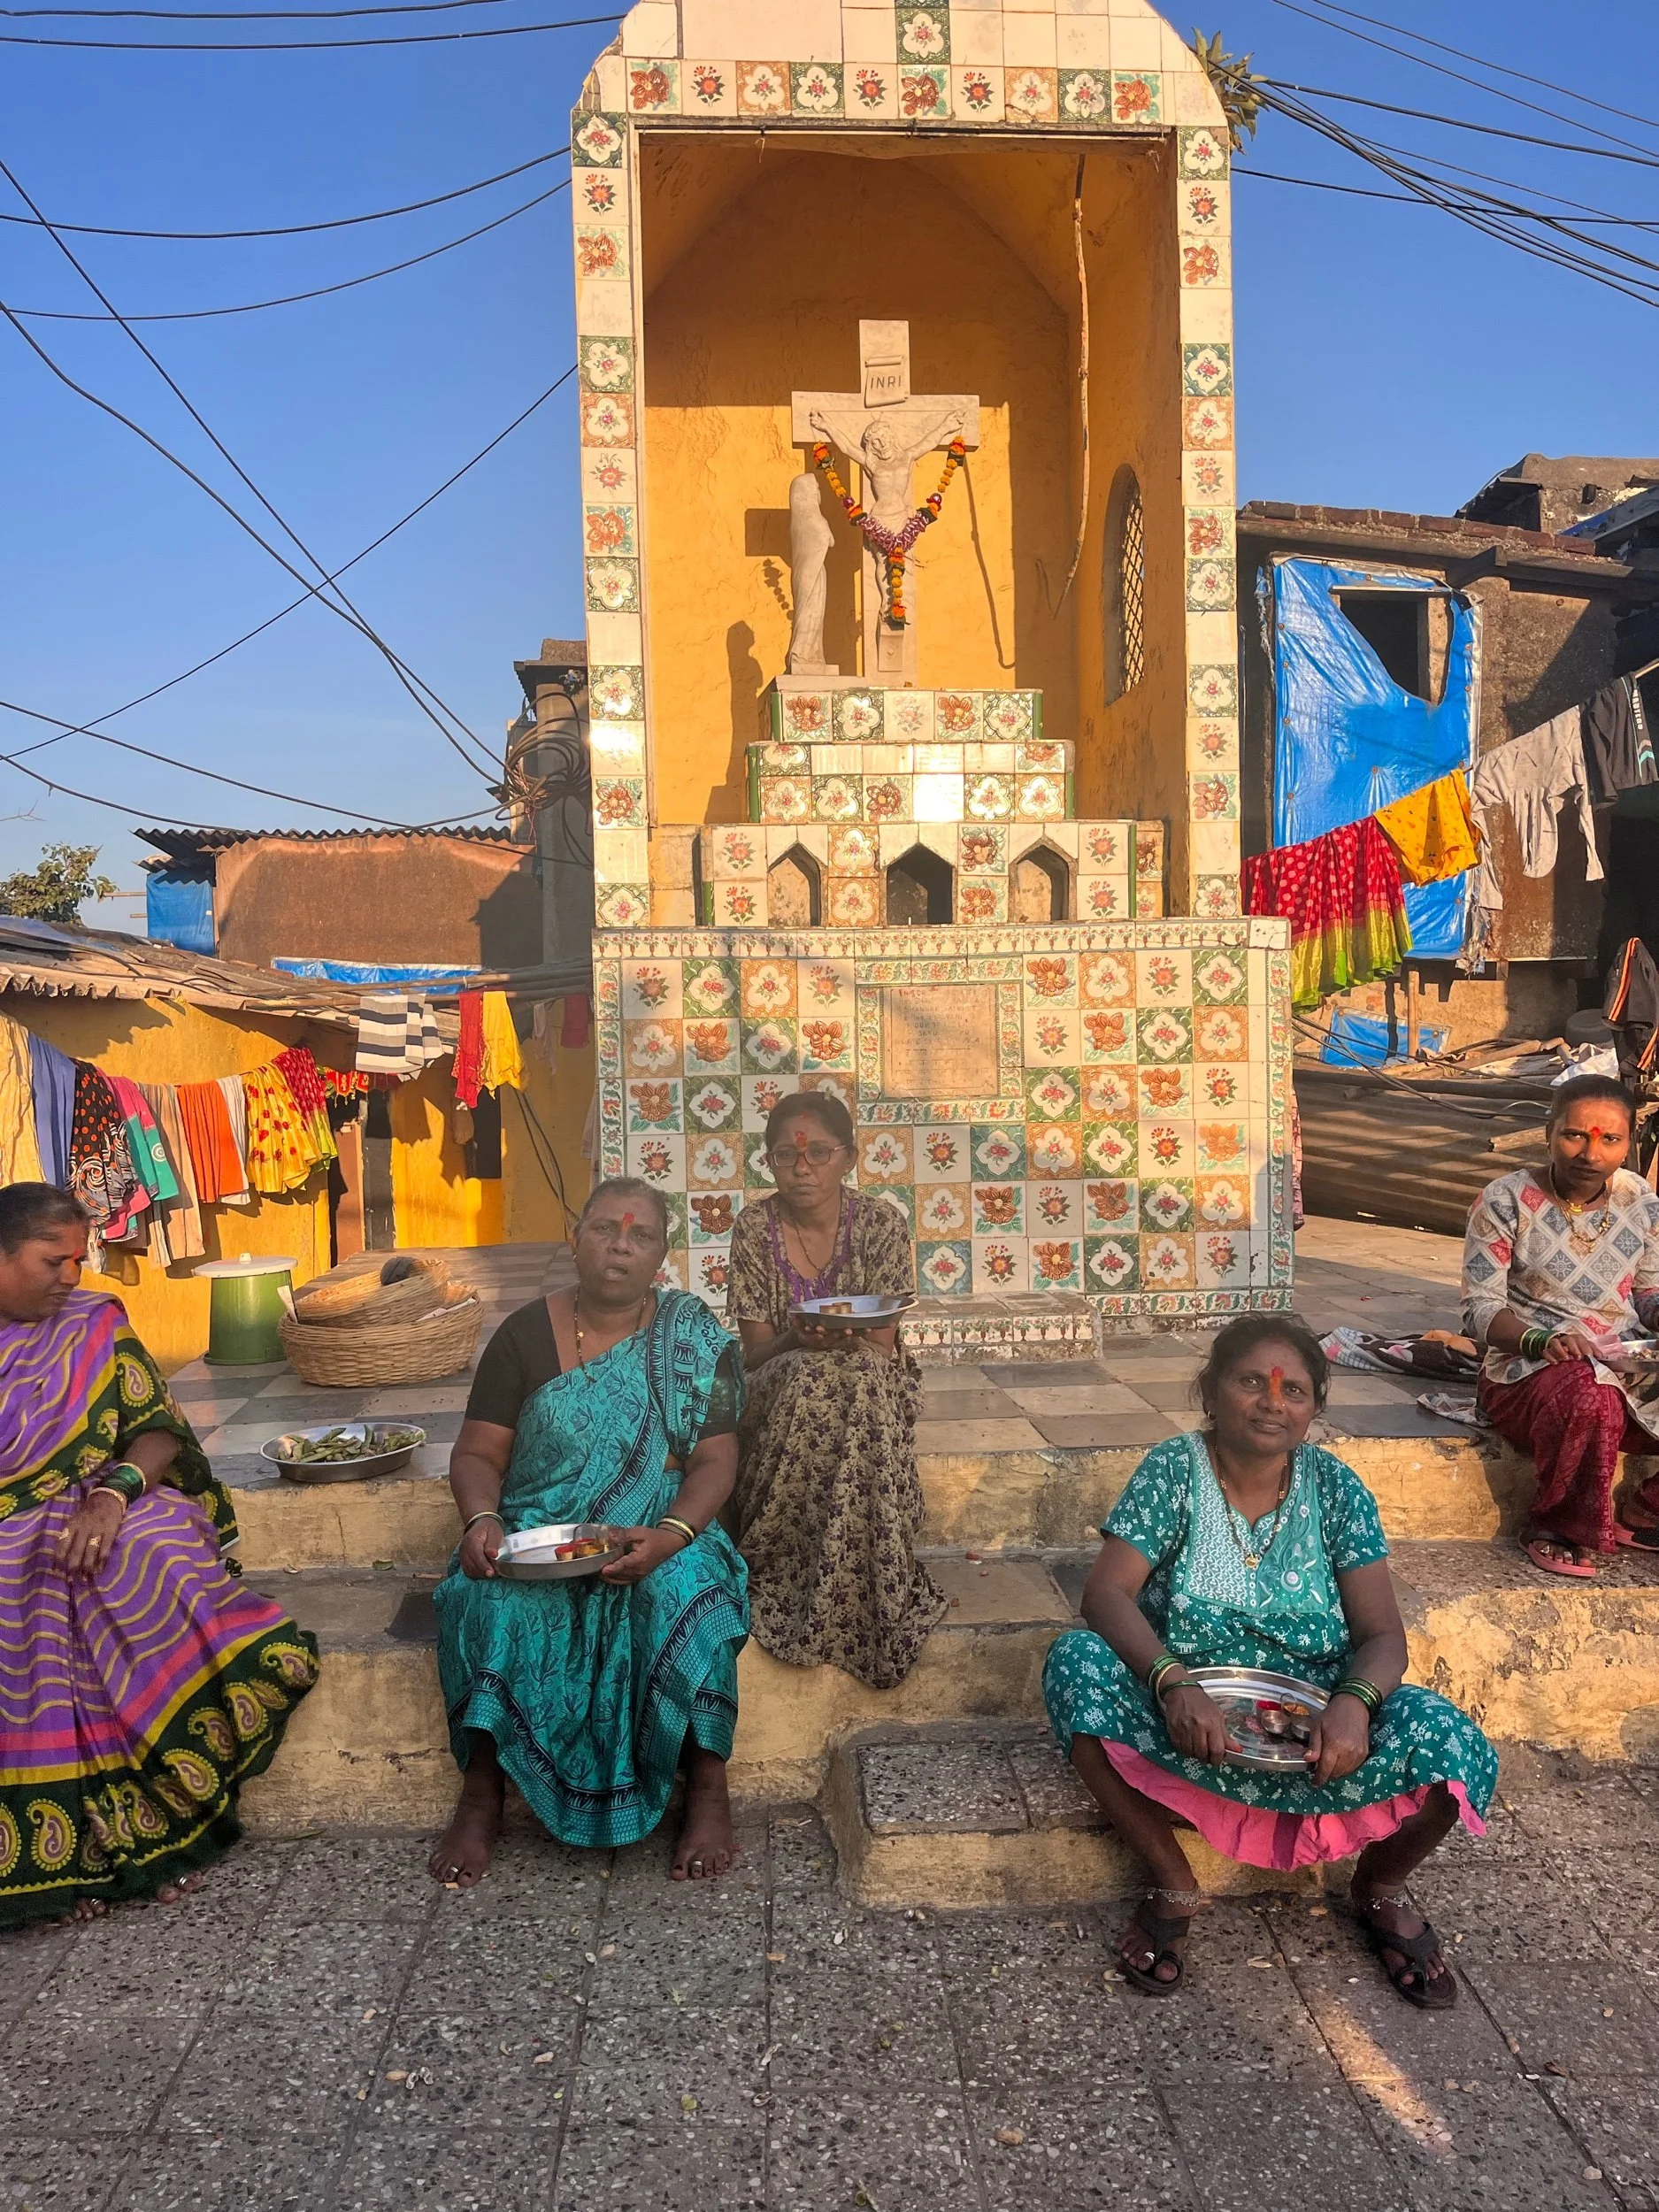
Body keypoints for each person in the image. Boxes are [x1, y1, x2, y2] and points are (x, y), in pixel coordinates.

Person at [1043, 1314, 1496, 2008]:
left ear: (1314, 1407)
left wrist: (1351, 1704)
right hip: (1189, 1710)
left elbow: (1382, 1636)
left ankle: (1377, 1888)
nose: (1270, 1402)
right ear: (1211, 1391)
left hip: (1312, 1722)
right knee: (1076, 1664)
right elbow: (1106, 1594)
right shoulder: (1173, 1470)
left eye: (1293, 1391)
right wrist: (1170, 1682)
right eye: (1250, 1381)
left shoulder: (1336, 1489)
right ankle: (1172, 1882)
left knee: (1453, 1744)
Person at [0, 1182, 319, 1926]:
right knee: (29, 1585)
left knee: (152, 1545)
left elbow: (155, 1433)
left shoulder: (92, 1323)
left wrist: (113, 1494)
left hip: (93, 1495)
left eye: (79, 1259)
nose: (72, 1277)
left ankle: (143, 1828)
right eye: (54, 1261)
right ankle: (64, 1854)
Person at [430, 1177, 749, 1886]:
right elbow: (479, 1452)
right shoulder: (522, 1335)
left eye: (639, 1236)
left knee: (690, 1592)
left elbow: (716, 1461)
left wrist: (669, 1534)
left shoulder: (694, 1337)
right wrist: (481, 1519)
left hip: (663, 1524)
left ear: (661, 1255)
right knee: (489, 1599)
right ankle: (482, 1797)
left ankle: (707, 1788)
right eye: (605, 1229)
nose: (620, 1247)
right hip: (541, 1530)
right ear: (575, 1237)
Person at [728, 1090, 945, 1690]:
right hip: (781, 1379)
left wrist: (836, 1339)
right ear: (768, 1162)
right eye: (785, 1157)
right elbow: (753, 1354)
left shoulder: (880, 1223)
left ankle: (866, 1575)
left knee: (855, 1378)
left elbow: (878, 1345)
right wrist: (797, 1338)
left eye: (818, 1153)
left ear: (848, 1158)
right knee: (807, 1375)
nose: (803, 1169)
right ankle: (791, 1567)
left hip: (869, 1375)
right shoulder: (753, 1228)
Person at [1463, 1072, 1659, 1578]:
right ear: (1548, 1132)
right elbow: (1480, 1309)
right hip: (1527, 1372)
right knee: (1589, 1393)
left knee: (1606, 1384)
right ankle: (1558, 1526)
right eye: (1575, 1135)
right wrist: (1539, 1339)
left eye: (1610, 1140)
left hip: (1622, 1360)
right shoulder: (1504, 1200)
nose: (1590, 1155)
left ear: (1629, 1142)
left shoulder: (1639, 1199)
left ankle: (1646, 1510)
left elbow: (1647, 1293)